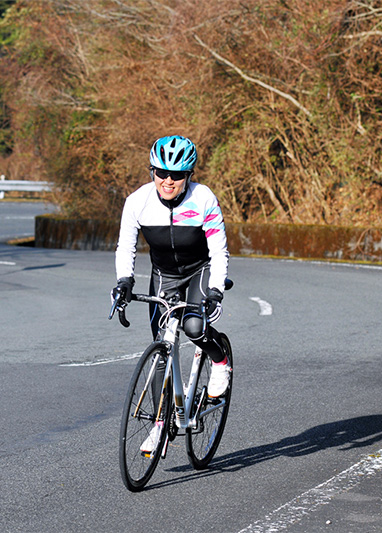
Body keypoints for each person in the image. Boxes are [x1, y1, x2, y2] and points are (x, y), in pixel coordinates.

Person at [112, 134, 231, 454]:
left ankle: (219, 361)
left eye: (177, 175)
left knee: (193, 327)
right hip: (164, 276)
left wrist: (216, 289)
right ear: (151, 171)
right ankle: (160, 426)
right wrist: (124, 281)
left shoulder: (204, 198)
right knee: (162, 348)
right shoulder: (137, 201)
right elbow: (126, 246)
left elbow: (219, 250)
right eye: (160, 172)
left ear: (189, 175)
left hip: (199, 271)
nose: (167, 180)